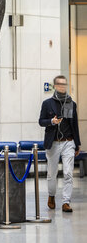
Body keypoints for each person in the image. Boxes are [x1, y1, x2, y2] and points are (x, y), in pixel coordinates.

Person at [39, 75, 81, 213]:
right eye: (60, 84)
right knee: (52, 174)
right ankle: (51, 196)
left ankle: (66, 202)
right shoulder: (47, 103)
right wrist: (52, 121)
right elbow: (41, 121)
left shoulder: (71, 103)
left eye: (64, 84)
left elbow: (74, 125)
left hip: (68, 142)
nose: (62, 86)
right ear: (55, 86)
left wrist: (78, 143)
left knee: (68, 173)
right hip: (53, 143)